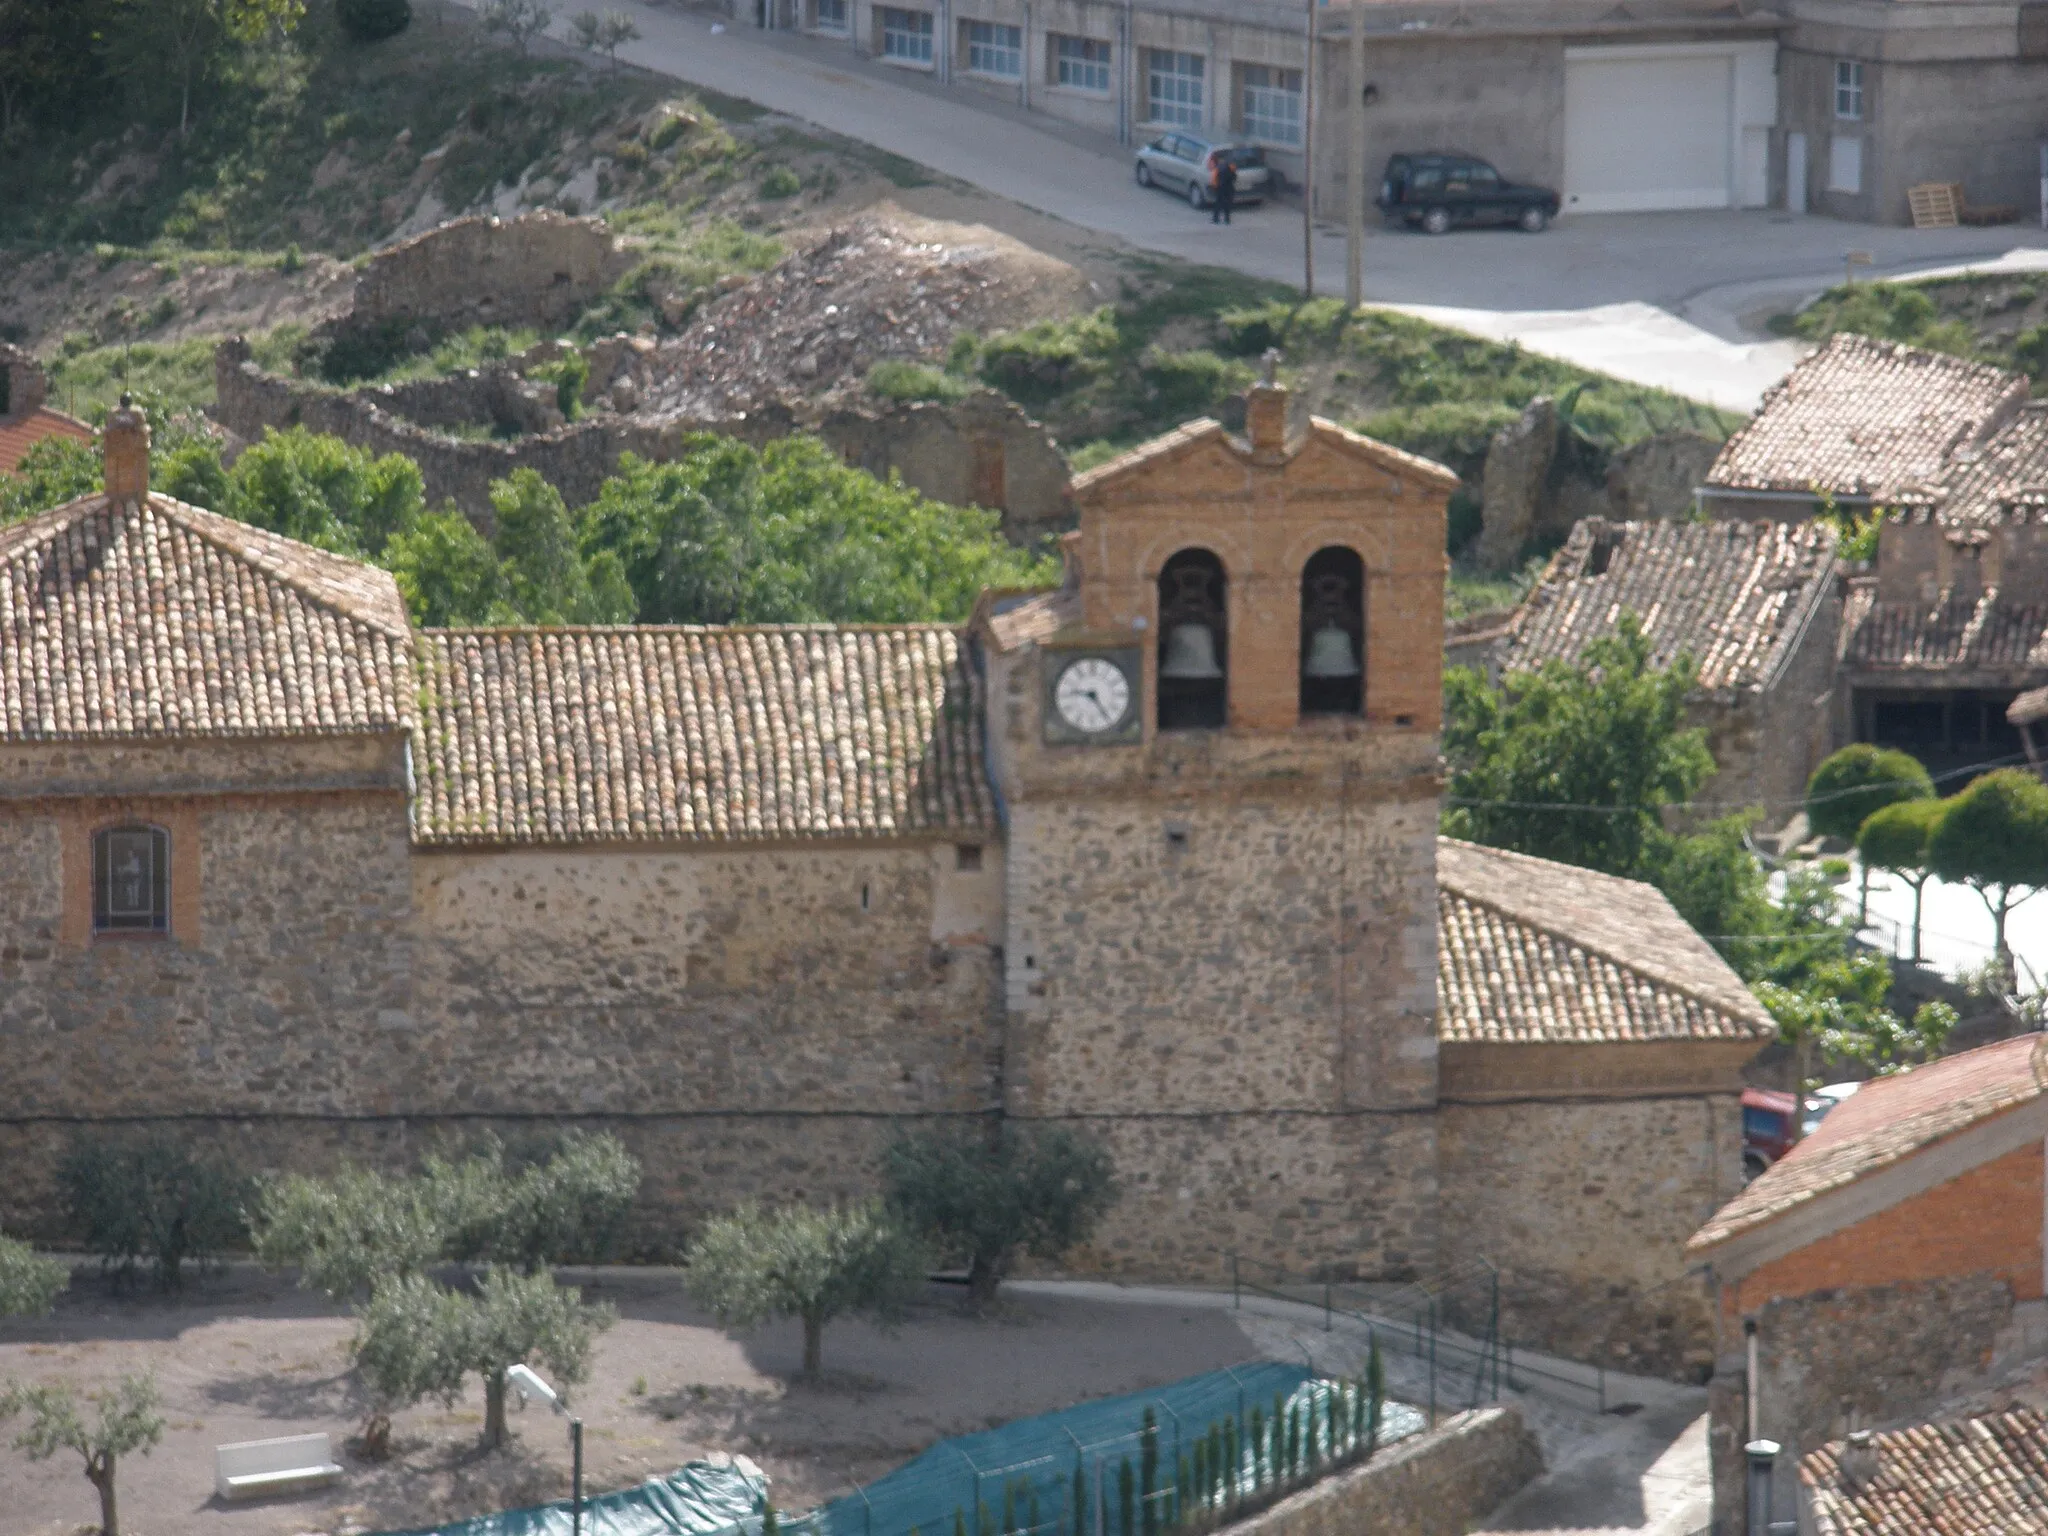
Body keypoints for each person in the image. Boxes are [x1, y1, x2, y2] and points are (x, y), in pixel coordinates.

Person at [1211, 152, 1238, 225]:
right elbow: (1234, 178)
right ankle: (1227, 219)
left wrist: (1214, 187)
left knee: (1218, 203)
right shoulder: (1231, 167)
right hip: (1229, 187)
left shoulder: (1218, 168)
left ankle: (1216, 218)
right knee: (1227, 203)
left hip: (1220, 188)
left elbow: (1214, 179)